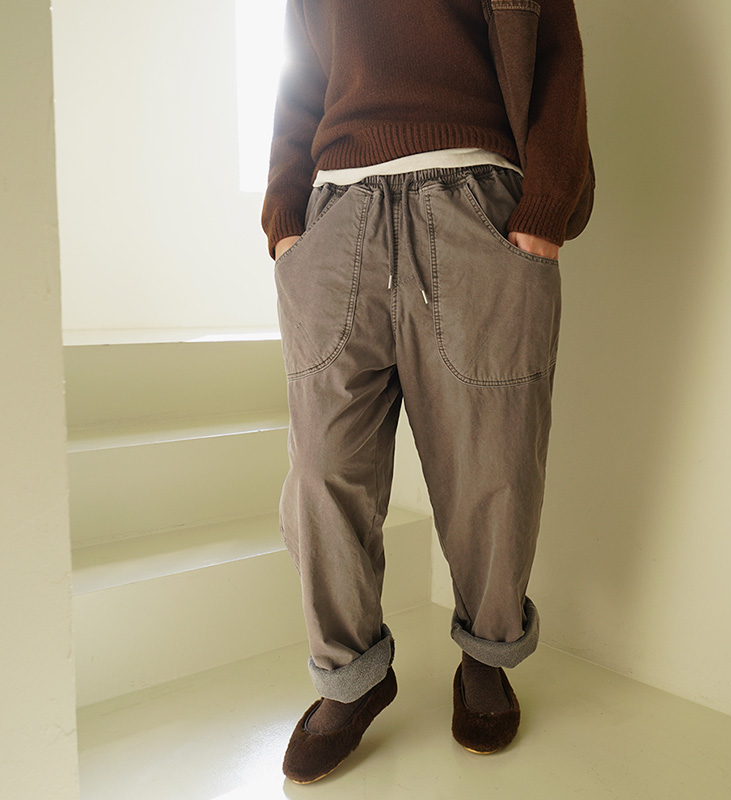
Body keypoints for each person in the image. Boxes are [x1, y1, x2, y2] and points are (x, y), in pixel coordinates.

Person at [261, 0, 594, 784]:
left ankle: (487, 653)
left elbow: (555, 54)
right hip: (337, 212)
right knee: (321, 472)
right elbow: (300, 74)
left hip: (476, 203)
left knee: (494, 466)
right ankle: (351, 677)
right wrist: (285, 216)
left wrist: (545, 208)